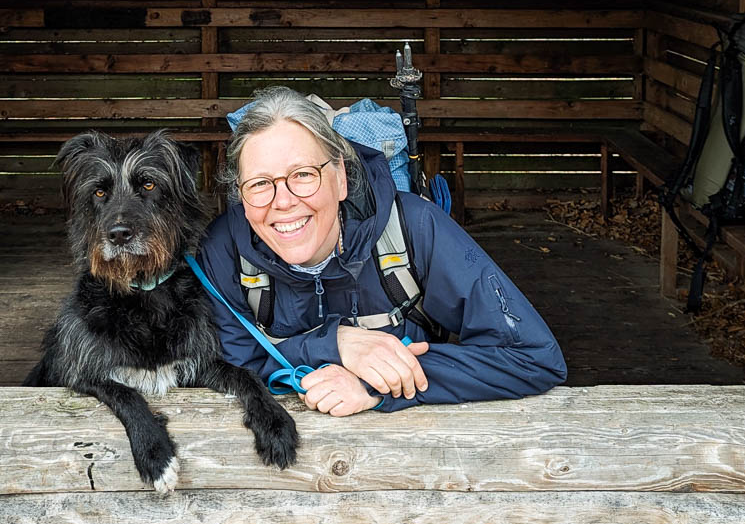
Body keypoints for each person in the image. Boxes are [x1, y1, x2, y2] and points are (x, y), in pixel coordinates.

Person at [195, 86, 567, 416]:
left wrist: (380, 385)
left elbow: (532, 356)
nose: (284, 201)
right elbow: (230, 367)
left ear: (340, 177)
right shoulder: (223, 248)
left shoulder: (415, 227)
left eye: (303, 175)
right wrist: (336, 344)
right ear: (239, 193)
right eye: (260, 183)